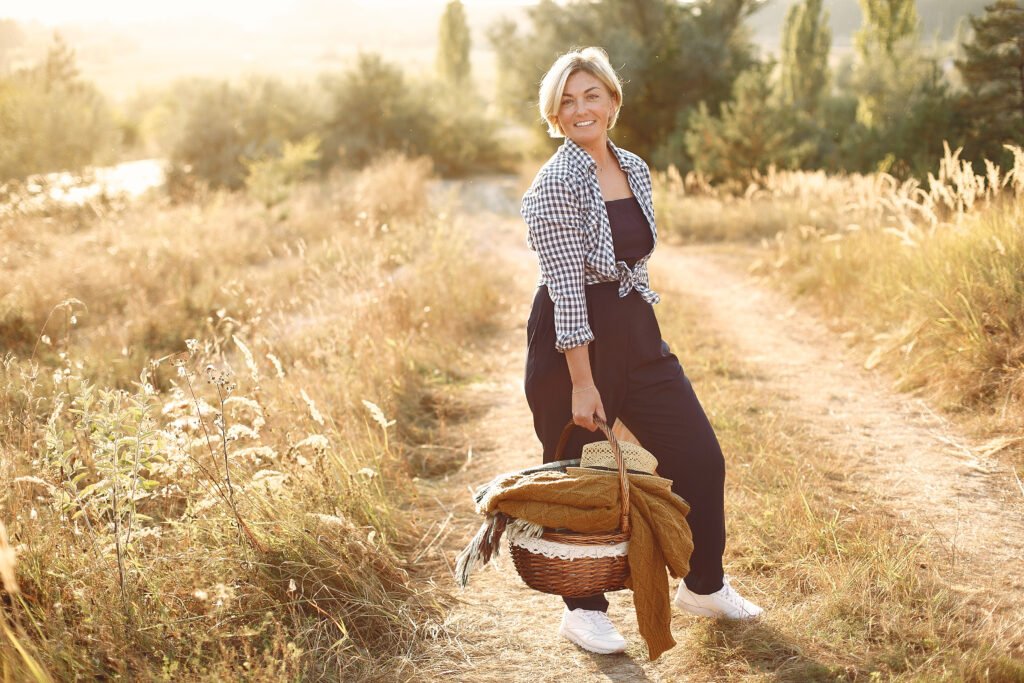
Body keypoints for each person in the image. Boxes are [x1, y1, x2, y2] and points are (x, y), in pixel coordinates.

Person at [521, 47, 764, 656]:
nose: (580, 109)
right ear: (554, 114)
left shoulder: (633, 166)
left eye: (591, 95)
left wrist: (635, 343)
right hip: (572, 342)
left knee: (700, 458)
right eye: (567, 101)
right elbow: (567, 291)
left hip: (635, 328)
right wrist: (584, 382)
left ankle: (704, 586)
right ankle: (583, 611)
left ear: (612, 100)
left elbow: (633, 260)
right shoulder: (553, 184)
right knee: (581, 476)